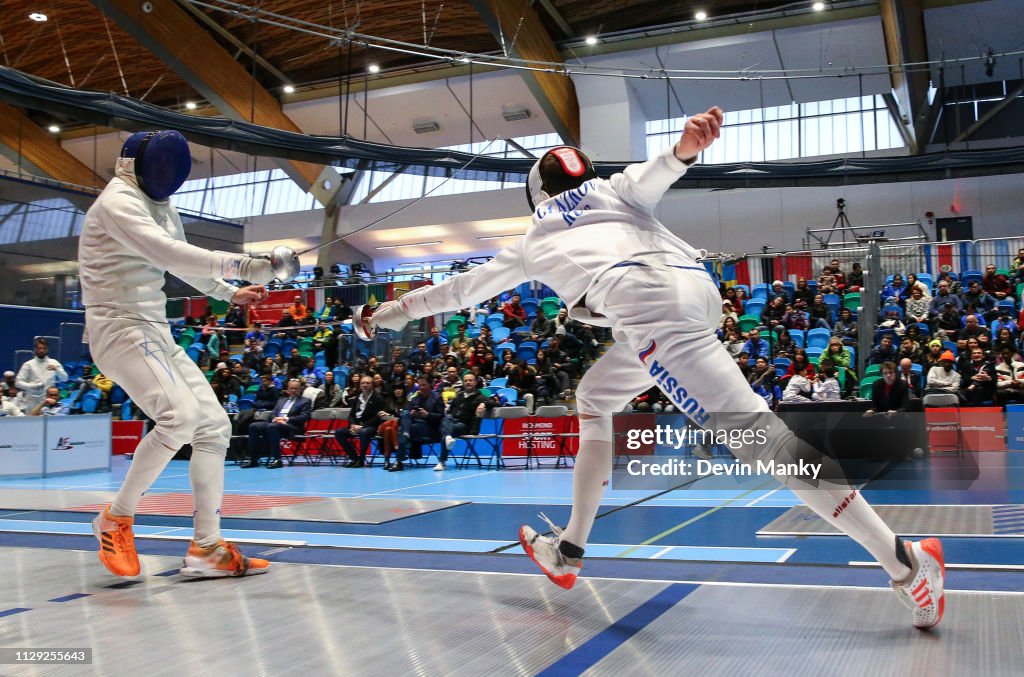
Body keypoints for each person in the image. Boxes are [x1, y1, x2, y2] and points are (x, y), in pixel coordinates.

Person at [366, 110, 945, 628]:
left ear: (535, 195)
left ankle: (904, 563)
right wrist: (683, 149)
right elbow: (653, 175)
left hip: (652, 311)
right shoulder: (614, 190)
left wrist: (386, 315)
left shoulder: (534, 236)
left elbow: (457, 292)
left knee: (763, 443)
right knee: (595, 397)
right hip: (694, 294)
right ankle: (569, 550)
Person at [79, 130, 280, 578]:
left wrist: (232, 292)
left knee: (214, 427)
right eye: (163, 166)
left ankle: (206, 547)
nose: (169, 175)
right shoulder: (117, 203)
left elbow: (179, 263)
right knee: (179, 418)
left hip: (152, 329)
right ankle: (115, 518)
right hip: (117, 327)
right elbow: (164, 250)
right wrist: (241, 263)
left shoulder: (160, 204)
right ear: (138, 166)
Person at [244, 378, 311, 469]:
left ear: (300, 389)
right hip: (276, 424)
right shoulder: (281, 400)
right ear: (288, 389)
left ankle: (277, 460)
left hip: (292, 427)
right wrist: (275, 419)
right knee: (254, 426)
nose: (293, 390)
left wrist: (285, 419)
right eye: (291, 388)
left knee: (272, 427)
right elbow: (272, 414)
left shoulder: (305, 401)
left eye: (296, 388)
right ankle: (253, 460)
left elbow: (304, 417)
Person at [436, 372, 494, 471]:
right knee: (447, 421)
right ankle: (448, 438)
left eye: (470, 381)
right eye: (466, 381)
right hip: (451, 422)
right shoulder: (459, 396)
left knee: (446, 431)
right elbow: (449, 411)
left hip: (465, 426)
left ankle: (442, 462)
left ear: (475, 382)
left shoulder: (480, 396)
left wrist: (484, 404)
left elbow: (493, 402)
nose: (468, 383)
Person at [335, 375, 387, 467]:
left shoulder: (378, 398)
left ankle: (361, 460)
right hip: (356, 426)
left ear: (372, 385)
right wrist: (352, 425)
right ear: (360, 385)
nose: (365, 385)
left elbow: (377, 417)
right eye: (363, 383)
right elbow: (351, 415)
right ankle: (354, 458)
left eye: (368, 383)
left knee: (363, 432)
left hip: (371, 427)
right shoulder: (357, 398)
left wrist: (362, 427)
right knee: (339, 432)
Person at [16, 337, 68, 413]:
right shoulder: (28, 364)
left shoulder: (54, 363)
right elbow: (18, 382)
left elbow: (65, 378)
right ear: (35, 349)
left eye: (44, 348)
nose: (42, 350)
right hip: (32, 402)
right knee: (32, 423)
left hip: (49, 402)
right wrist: (32, 386)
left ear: (47, 349)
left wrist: (57, 370)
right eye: (39, 348)